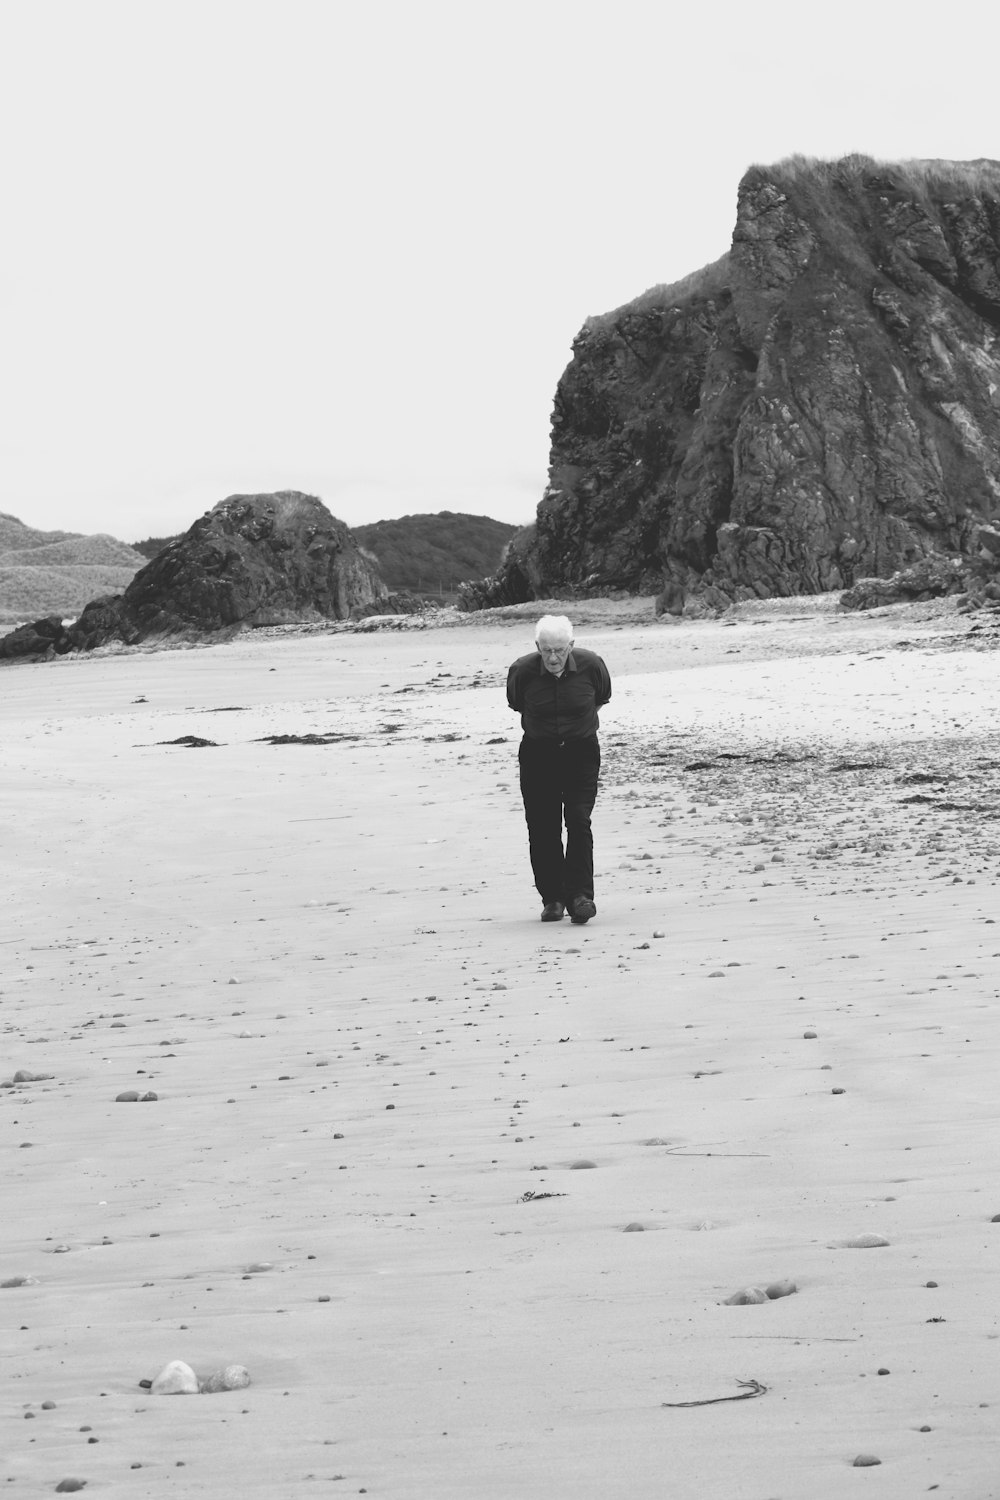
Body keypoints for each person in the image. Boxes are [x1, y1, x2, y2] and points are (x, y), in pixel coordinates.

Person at [506, 615, 612, 923]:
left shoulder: (592, 665)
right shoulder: (522, 671)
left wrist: (575, 725)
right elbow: (517, 704)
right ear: (537, 646)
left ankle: (580, 897)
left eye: (561, 650)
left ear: (572, 646)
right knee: (543, 827)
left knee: (579, 820)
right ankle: (552, 898)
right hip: (538, 755)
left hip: (581, 753)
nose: (553, 657)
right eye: (547, 650)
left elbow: (601, 697)